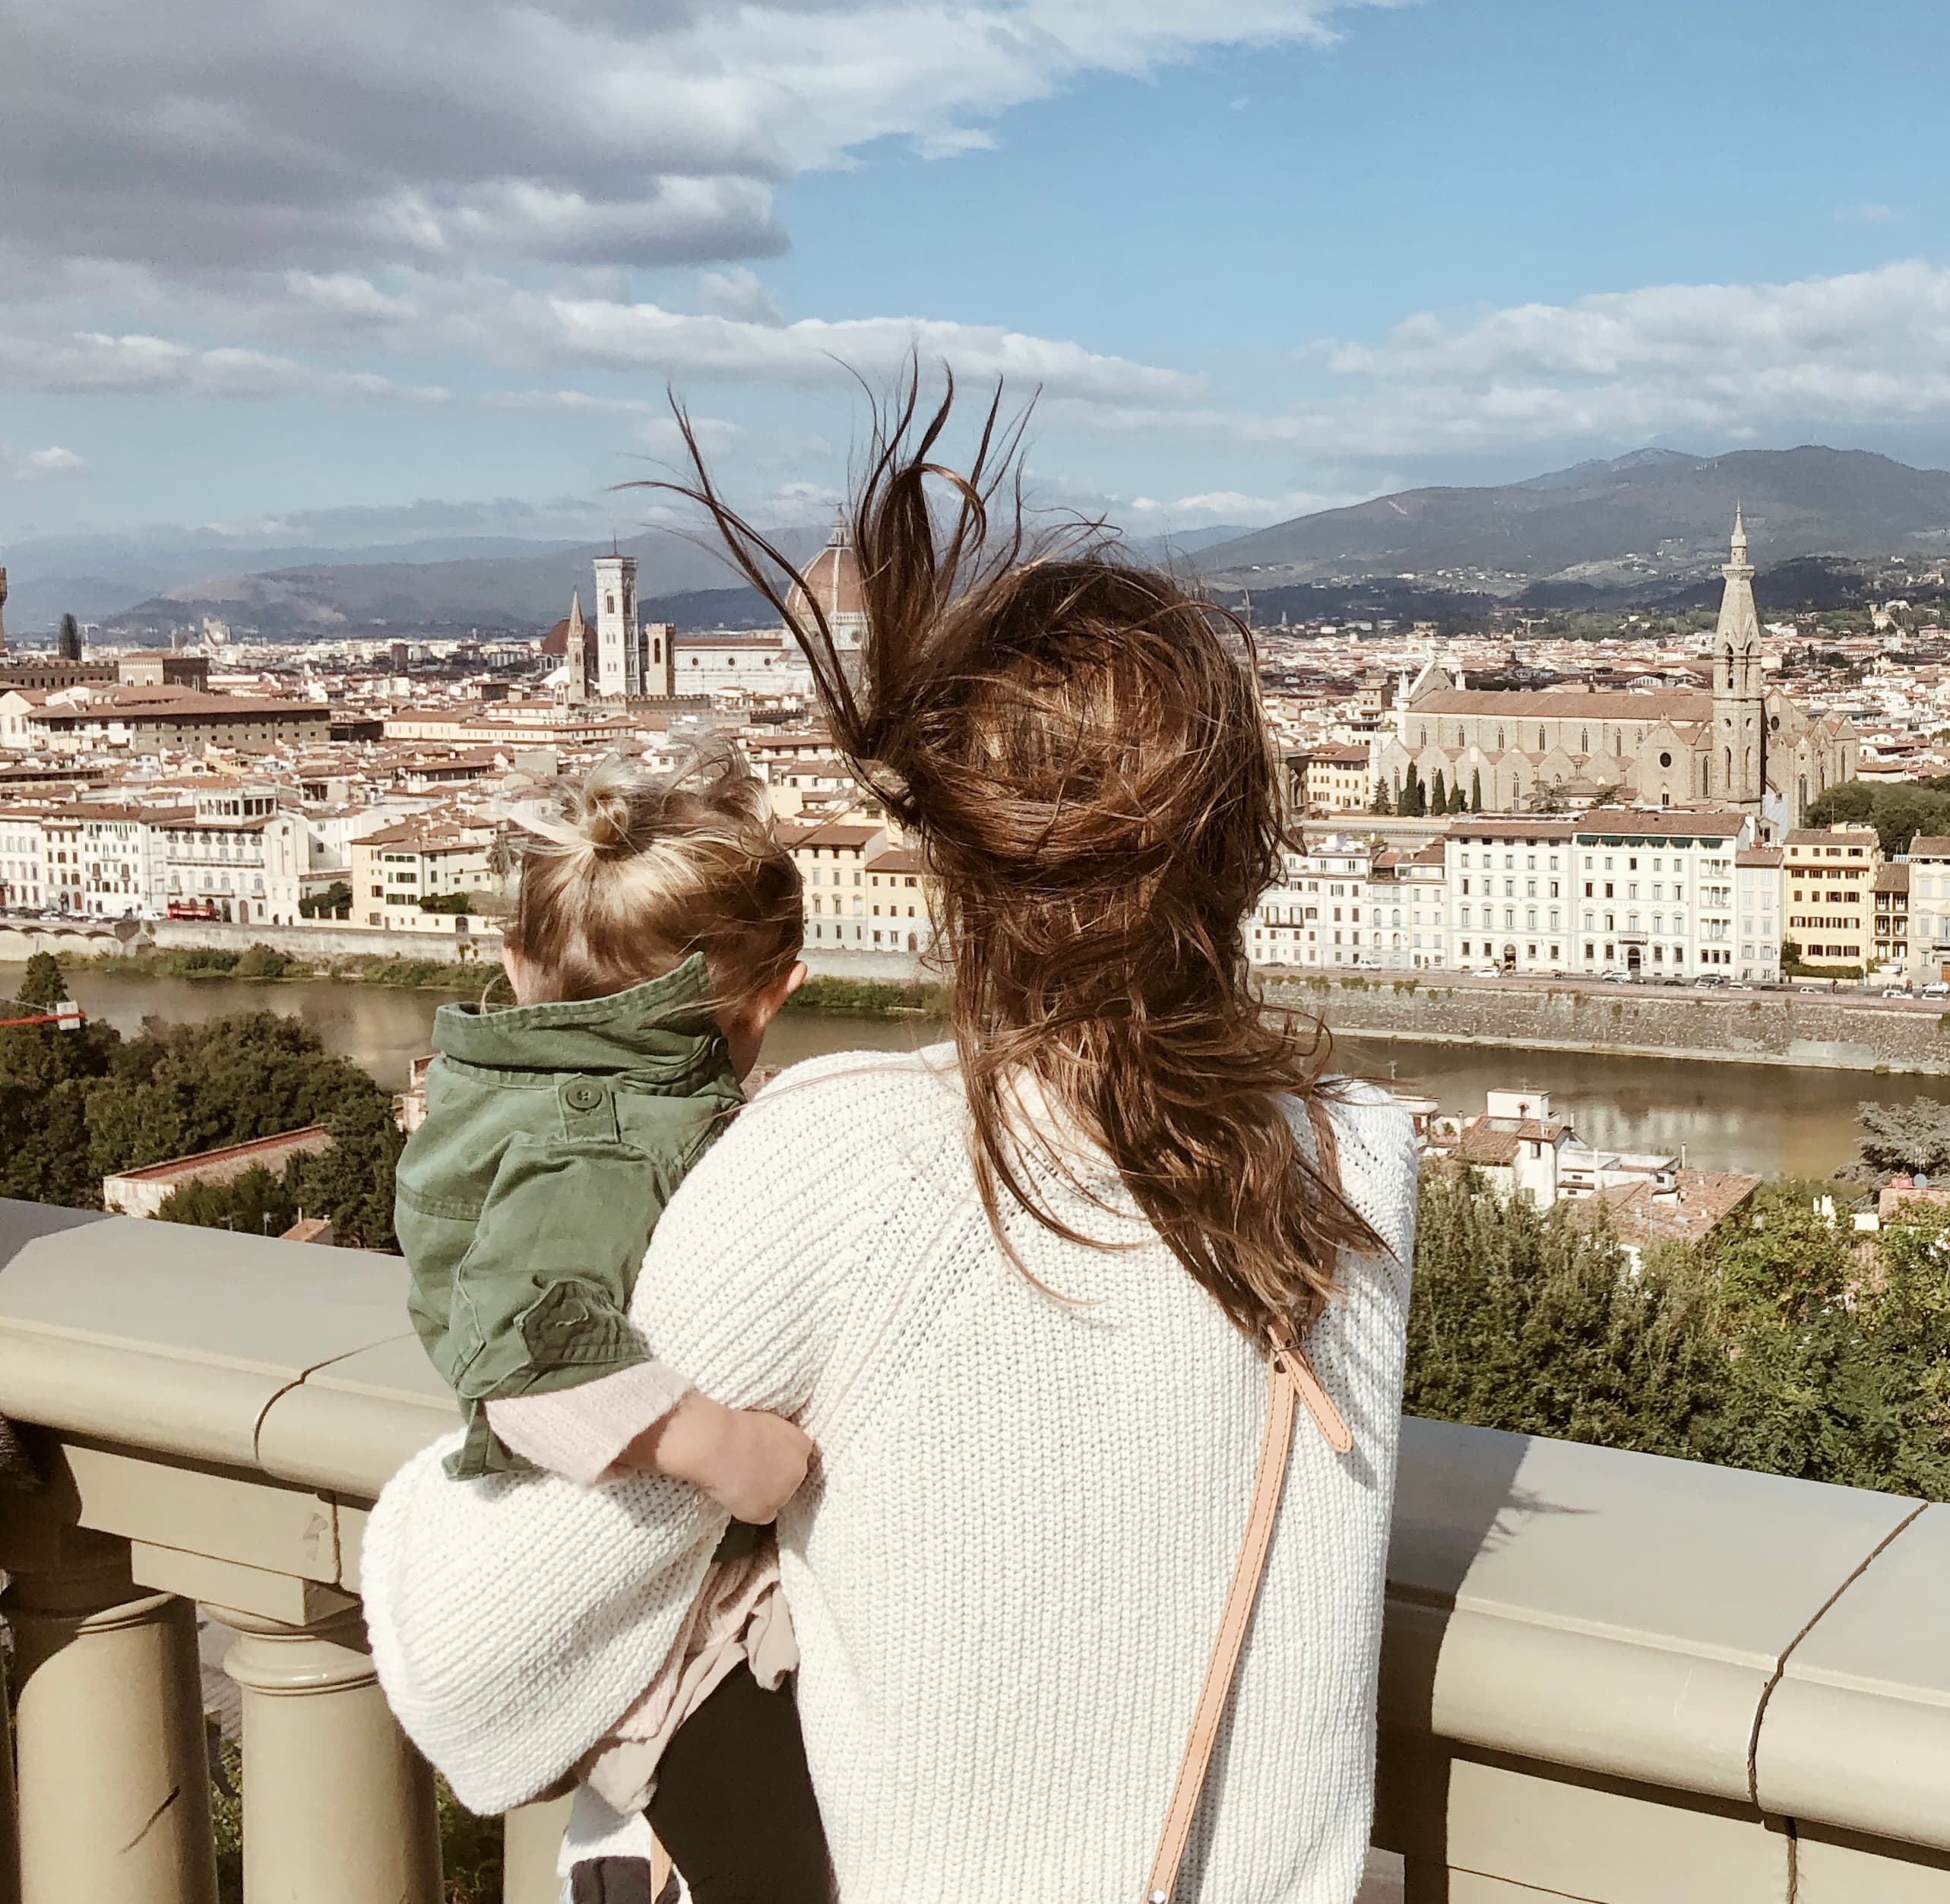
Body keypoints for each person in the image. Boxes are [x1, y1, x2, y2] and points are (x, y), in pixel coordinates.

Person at [366, 375, 1420, 1904]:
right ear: (1239, 835)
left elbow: (479, 1658)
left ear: (943, 848)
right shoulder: (1356, 1157)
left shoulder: (845, 1165)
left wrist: (445, 1462)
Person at [391, 749, 828, 1901]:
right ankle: (643, 1844)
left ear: (515, 964)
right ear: (771, 996)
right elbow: (531, 1361)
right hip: (663, 1611)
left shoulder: (544, 1102)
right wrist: (738, 1454)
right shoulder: (600, 1135)